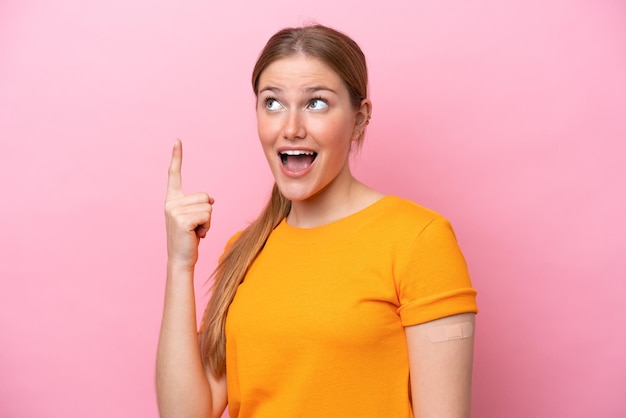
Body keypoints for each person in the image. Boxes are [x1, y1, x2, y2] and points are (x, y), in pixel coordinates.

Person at [156, 24, 478, 418]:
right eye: (272, 103)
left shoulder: (419, 240)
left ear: (360, 118)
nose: (290, 128)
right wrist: (179, 264)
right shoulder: (244, 250)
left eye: (316, 103)